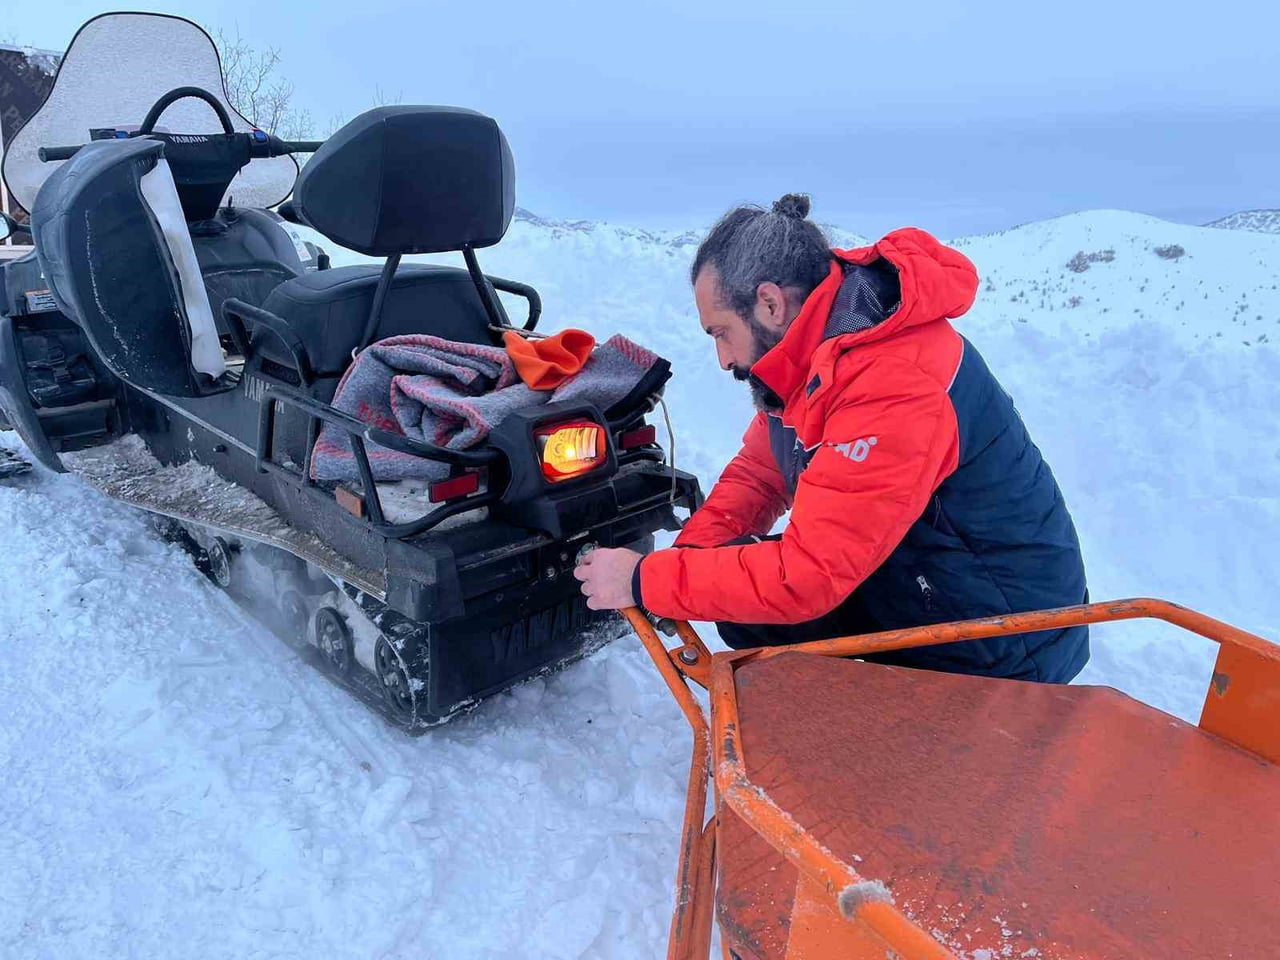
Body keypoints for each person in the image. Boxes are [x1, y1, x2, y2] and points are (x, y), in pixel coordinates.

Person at [575, 194, 1088, 681]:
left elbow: (808, 577)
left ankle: (892, 744)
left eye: (721, 332)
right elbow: (760, 473)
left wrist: (645, 581)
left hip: (1005, 630)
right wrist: (684, 562)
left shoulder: (893, 381)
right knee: (738, 597)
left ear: (770, 304)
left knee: (766, 597)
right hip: (927, 574)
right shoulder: (815, 354)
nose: (724, 359)